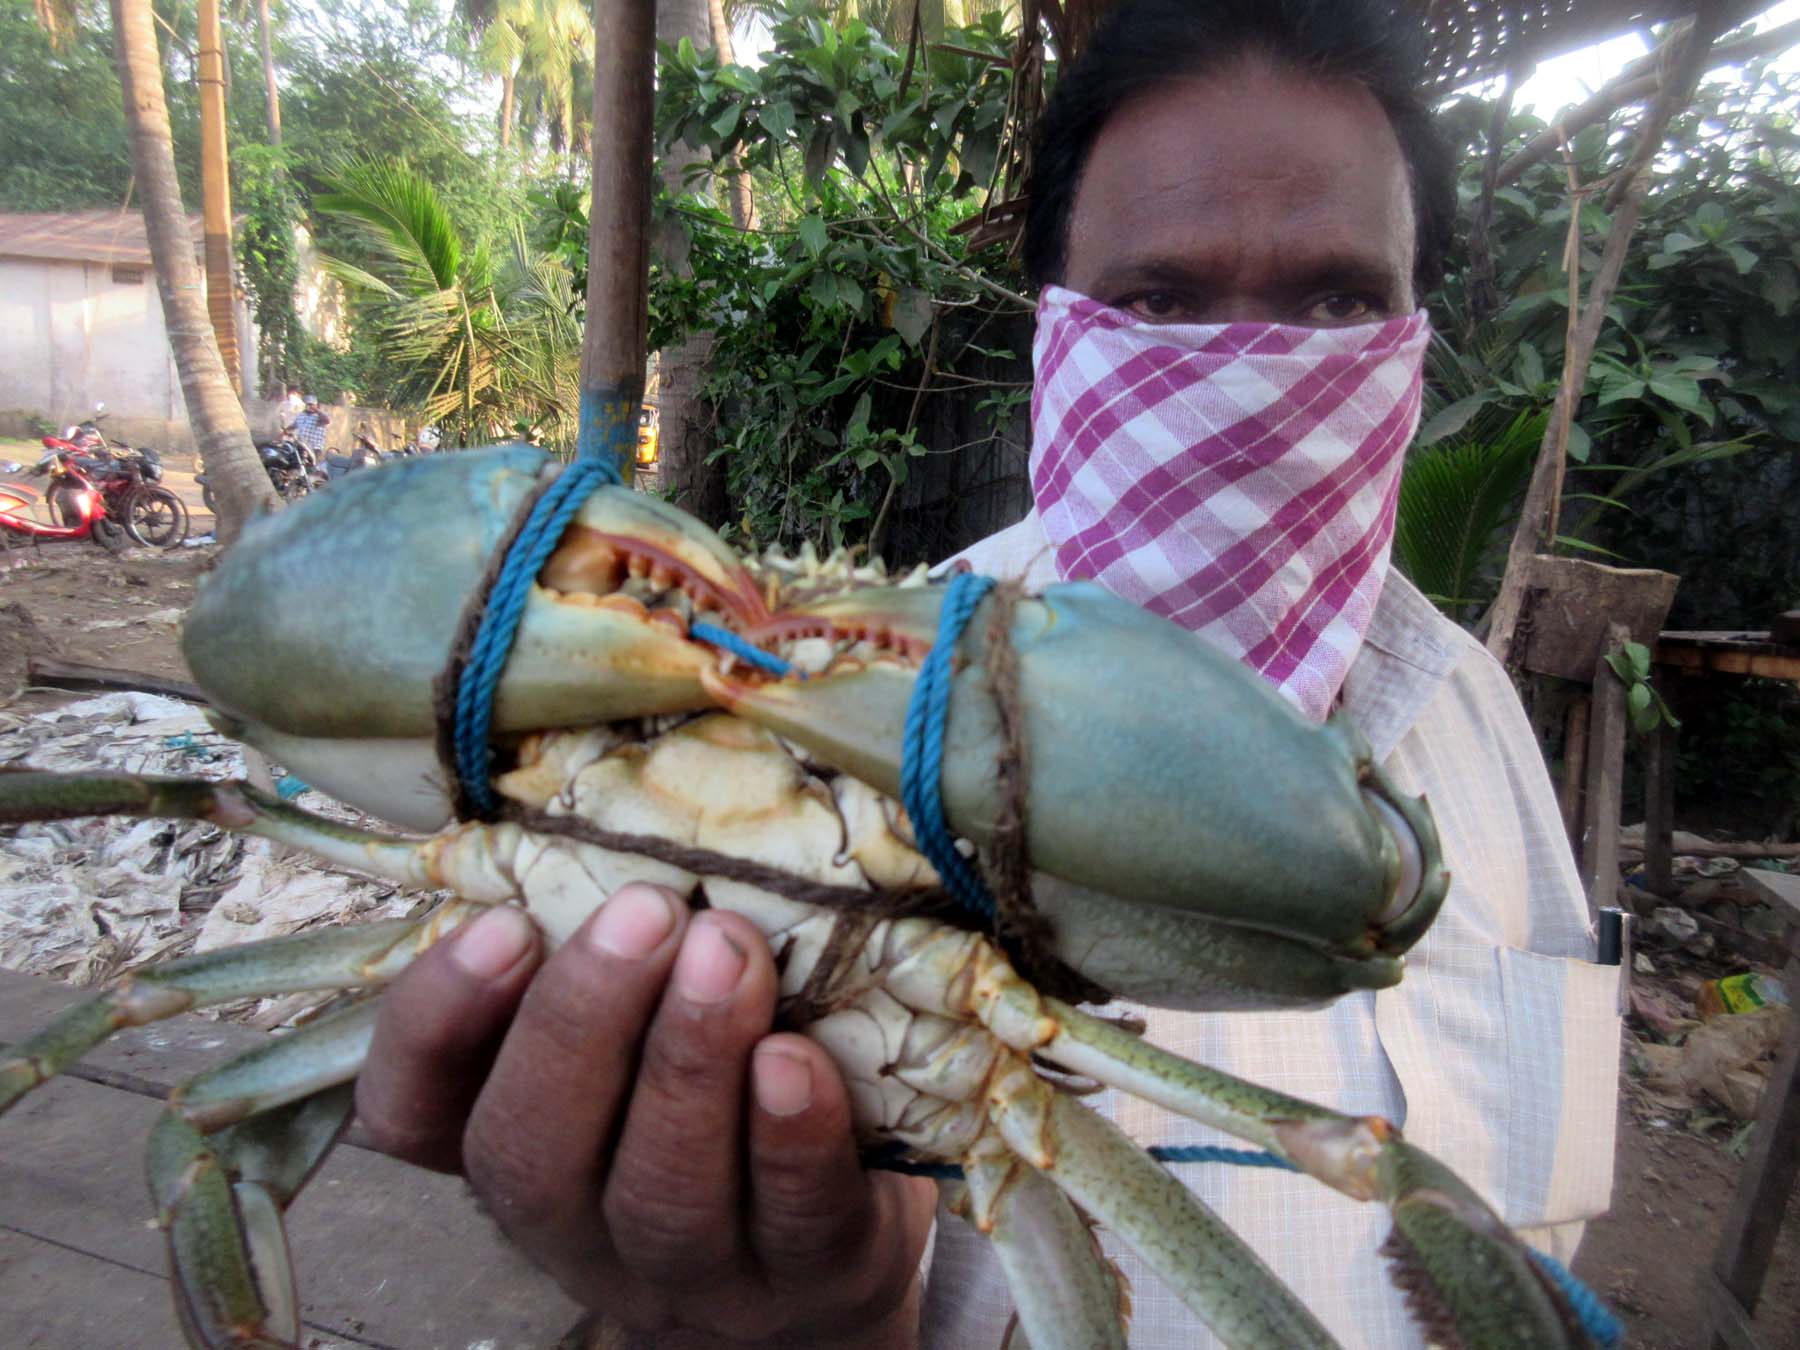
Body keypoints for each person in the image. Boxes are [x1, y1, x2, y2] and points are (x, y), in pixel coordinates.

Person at [353, 2, 1621, 1346]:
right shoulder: (822, 740)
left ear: (1414, 331)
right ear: (1057, 328)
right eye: (1164, 299)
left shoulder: (1475, 717)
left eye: (1335, 299)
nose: (1256, 368)